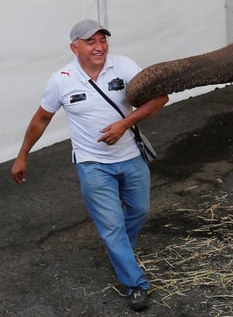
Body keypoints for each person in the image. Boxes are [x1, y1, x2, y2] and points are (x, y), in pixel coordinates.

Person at [11, 19, 168, 312]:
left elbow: (160, 98)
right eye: (90, 42)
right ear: (74, 47)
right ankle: (135, 284)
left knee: (140, 211)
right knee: (111, 226)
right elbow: (41, 119)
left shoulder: (124, 66)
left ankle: (121, 253)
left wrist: (125, 123)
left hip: (131, 157)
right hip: (92, 164)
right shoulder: (61, 79)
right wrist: (23, 155)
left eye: (102, 40)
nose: (99, 47)